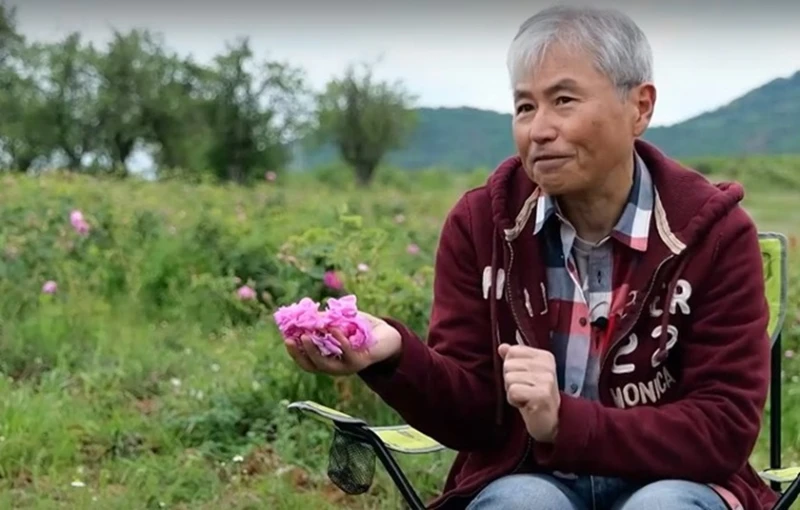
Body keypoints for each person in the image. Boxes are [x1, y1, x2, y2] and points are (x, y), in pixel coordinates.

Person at [284, 5, 777, 510]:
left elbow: (723, 428)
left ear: (640, 107)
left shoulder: (714, 235)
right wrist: (393, 355)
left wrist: (565, 421)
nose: (538, 129)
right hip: (529, 474)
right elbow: (473, 418)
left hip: (676, 479)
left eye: (563, 100)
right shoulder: (482, 225)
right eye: (524, 107)